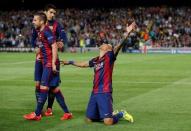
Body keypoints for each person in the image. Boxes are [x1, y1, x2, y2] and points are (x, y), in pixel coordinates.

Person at [61, 22, 136, 125]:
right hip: (95, 91)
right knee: (89, 120)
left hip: (105, 91)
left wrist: (127, 33)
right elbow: (83, 64)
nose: (106, 44)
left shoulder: (109, 57)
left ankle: (120, 114)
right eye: (105, 43)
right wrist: (70, 62)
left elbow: (119, 45)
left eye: (108, 44)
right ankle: (107, 114)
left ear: (108, 49)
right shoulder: (96, 60)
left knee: (108, 122)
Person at [24, 12, 71, 121]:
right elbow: (44, 46)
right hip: (47, 61)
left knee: (43, 87)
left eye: (35, 20)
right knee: (55, 89)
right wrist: (40, 53)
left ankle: (37, 114)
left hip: (50, 63)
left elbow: (54, 46)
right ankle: (67, 113)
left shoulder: (46, 31)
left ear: (41, 21)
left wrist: (53, 63)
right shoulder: (40, 31)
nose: (33, 21)